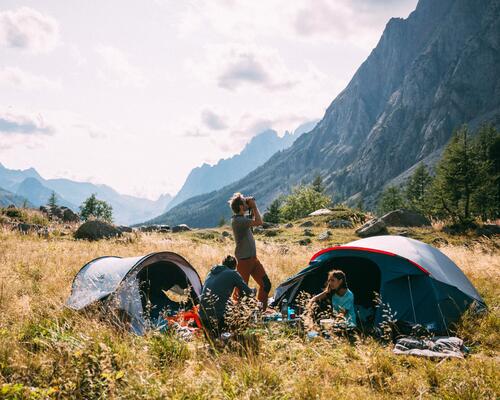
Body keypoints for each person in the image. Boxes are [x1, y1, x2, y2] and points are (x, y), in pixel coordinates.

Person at [229, 193, 271, 310]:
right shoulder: (238, 221)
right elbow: (259, 222)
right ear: (241, 207)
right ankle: (235, 316)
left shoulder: (241, 219)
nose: (247, 202)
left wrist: (249, 206)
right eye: (244, 202)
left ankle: (260, 312)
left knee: (266, 285)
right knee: (240, 293)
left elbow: (253, 220)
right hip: (244, 261)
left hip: (253, 259)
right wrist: (253, 206)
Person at [199, 255, 253, 338]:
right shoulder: (233, 273)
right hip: (218, 319)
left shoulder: (211, 272)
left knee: (229, 303)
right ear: (235, 266)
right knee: (244, 313)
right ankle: (239, 338)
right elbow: (249, 293)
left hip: (202, 319)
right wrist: (254, 291)